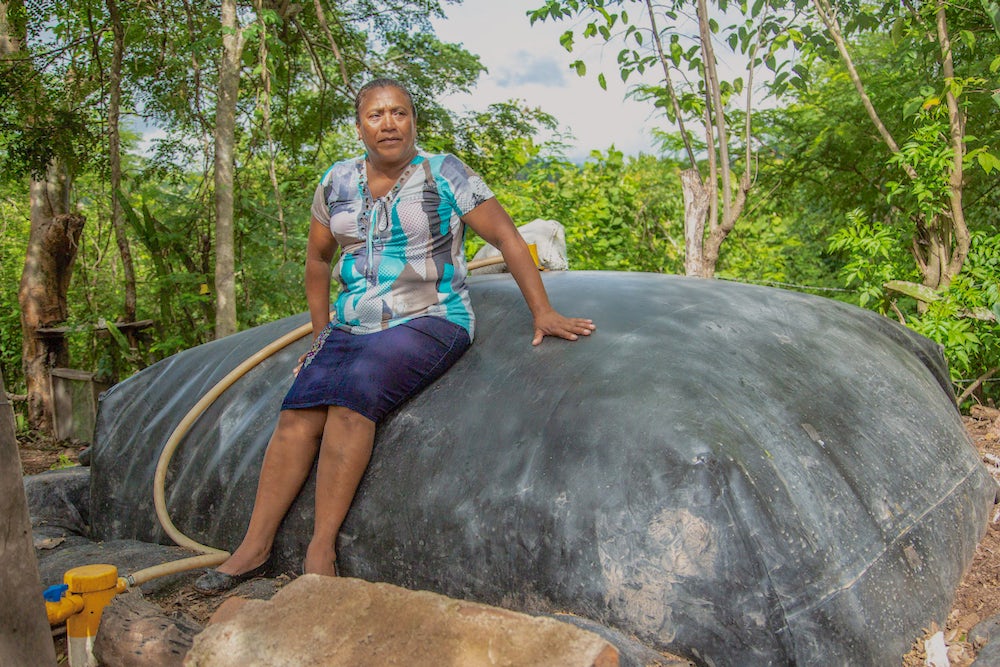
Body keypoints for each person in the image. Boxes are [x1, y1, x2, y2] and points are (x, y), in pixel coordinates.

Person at [194, 78, 595, 593]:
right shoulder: (336, 182)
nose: (389, 124)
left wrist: (543, 312)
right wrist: (321, 339)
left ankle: (321, 547)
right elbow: (318, 260)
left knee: (350, 402)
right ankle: (253, 548)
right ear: (359, 125)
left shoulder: (443, 172)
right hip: (353, 323)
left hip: (428, 316)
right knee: (297, 413)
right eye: (376, 115)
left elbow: (507, 238)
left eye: (399, 113)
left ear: (413, 121)